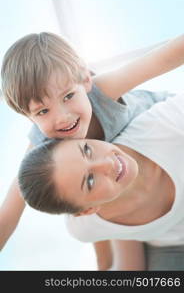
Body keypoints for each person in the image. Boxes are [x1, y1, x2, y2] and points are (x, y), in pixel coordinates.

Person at [0, 32, 183, 265]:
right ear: (29, 117)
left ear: (86, 80)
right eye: (43, 111)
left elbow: (162, 59)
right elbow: (8, 215)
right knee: (79, 188)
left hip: (163, 142)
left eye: (67, 96)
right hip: (119, 182)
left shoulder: (102, 90)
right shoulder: (45, 148)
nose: (63, 118)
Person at [18, 91, 184, 270]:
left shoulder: (166, 125)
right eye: (90, 181)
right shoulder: (84, 227)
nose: (107, 163)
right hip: (170, 247)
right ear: (88, 210)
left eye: (87, 150)